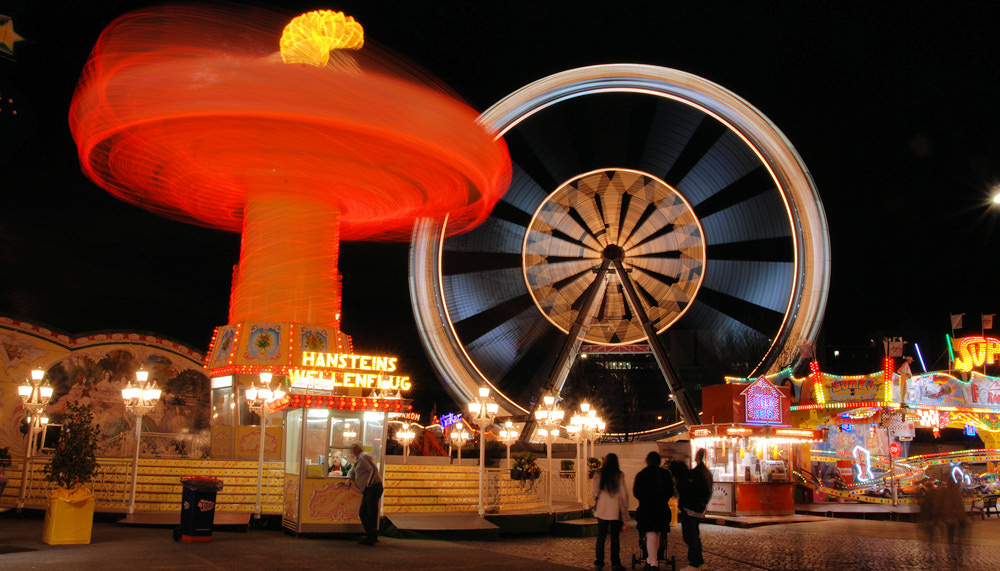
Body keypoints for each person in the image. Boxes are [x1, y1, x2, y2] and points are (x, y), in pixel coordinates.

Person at [670, 448, 713, 571]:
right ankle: (699, 561)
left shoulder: (697, 473)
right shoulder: (705, 472)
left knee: (690, 536)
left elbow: (687, 487)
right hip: (698, 508)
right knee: (695, 535)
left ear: (698, 456)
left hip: (691, 508)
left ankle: (694, 563)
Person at [633, 451, 674, 570]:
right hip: (661, 508)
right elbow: (670, 490)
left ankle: (653, 561)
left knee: (650, 533)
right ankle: (652, 558)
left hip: (647, 509)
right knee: (658, 533)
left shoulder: (642, 474)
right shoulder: (665, 474)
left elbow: (637, 491)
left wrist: (644, 499)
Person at [591, 452, 629, 571]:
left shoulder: (599, 474)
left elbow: (594, 492)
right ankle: (615, 563)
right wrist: (626, 506)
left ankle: (599, 562)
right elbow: (624, 493)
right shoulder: (619, 475)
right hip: (615, 510)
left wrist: (597, 500)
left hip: (602, 508)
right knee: (615, 538)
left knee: (601, 537)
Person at [350, 442, 383, 546]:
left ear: (359, 449)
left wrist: (368, 483)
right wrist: (348, 478)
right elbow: (353, 470)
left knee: (367, 512)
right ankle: (372, 535)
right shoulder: (358, 459)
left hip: (372, 488)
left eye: (354, 448)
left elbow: (373, 469)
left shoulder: (363, 457)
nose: (353, 450)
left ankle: (371, 536)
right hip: (370, 489)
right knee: (366, 512)